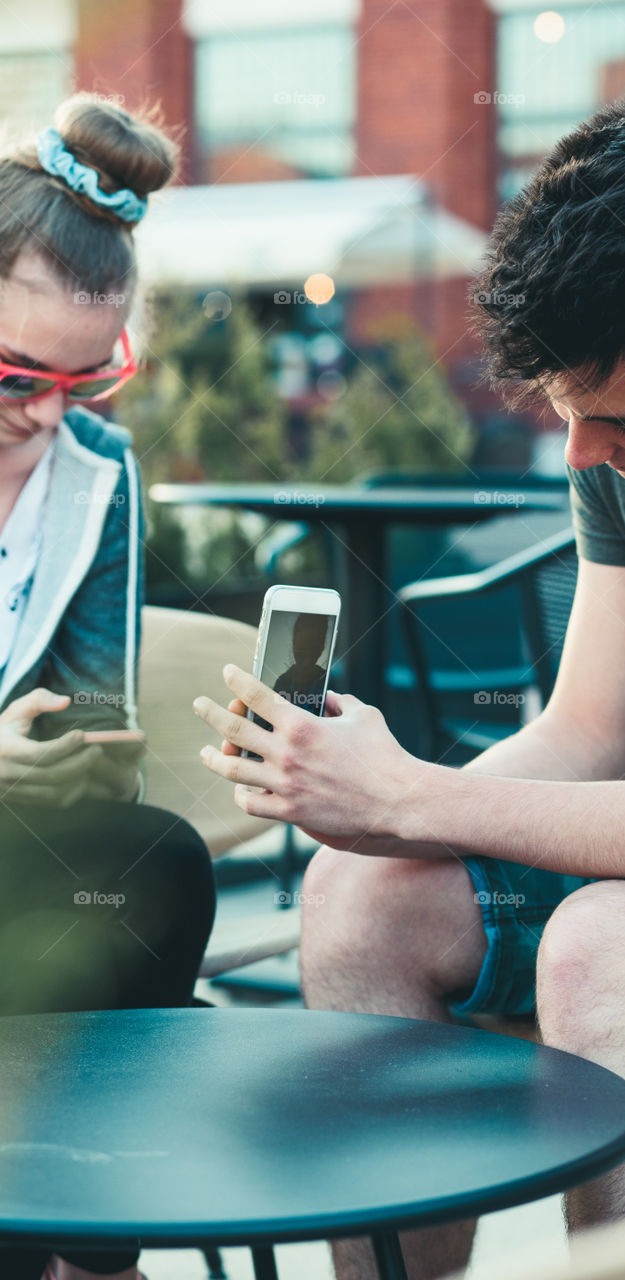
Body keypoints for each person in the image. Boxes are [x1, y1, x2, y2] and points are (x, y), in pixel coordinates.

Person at [195, 84, 625, 1279]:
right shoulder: (622, 419)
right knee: (363, 891)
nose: (585, 453)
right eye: (567, 413)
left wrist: (413, 799)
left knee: (608, 947)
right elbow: (589, 733)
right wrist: (365, 799)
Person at [0, 95, 216, 1280]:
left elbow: (99, 696)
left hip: (25, 845)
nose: (46, 415)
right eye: (13, 376)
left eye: (85, 382)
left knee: (159, 856)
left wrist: (79, 742)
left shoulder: (97, 475)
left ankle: (76, 1238)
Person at [273, 613, 329, 714]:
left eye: (313, 652)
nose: (306, 663)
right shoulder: (282, 683)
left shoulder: (329, 683)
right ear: (293, 645)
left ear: (321, 649)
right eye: (301, 651)